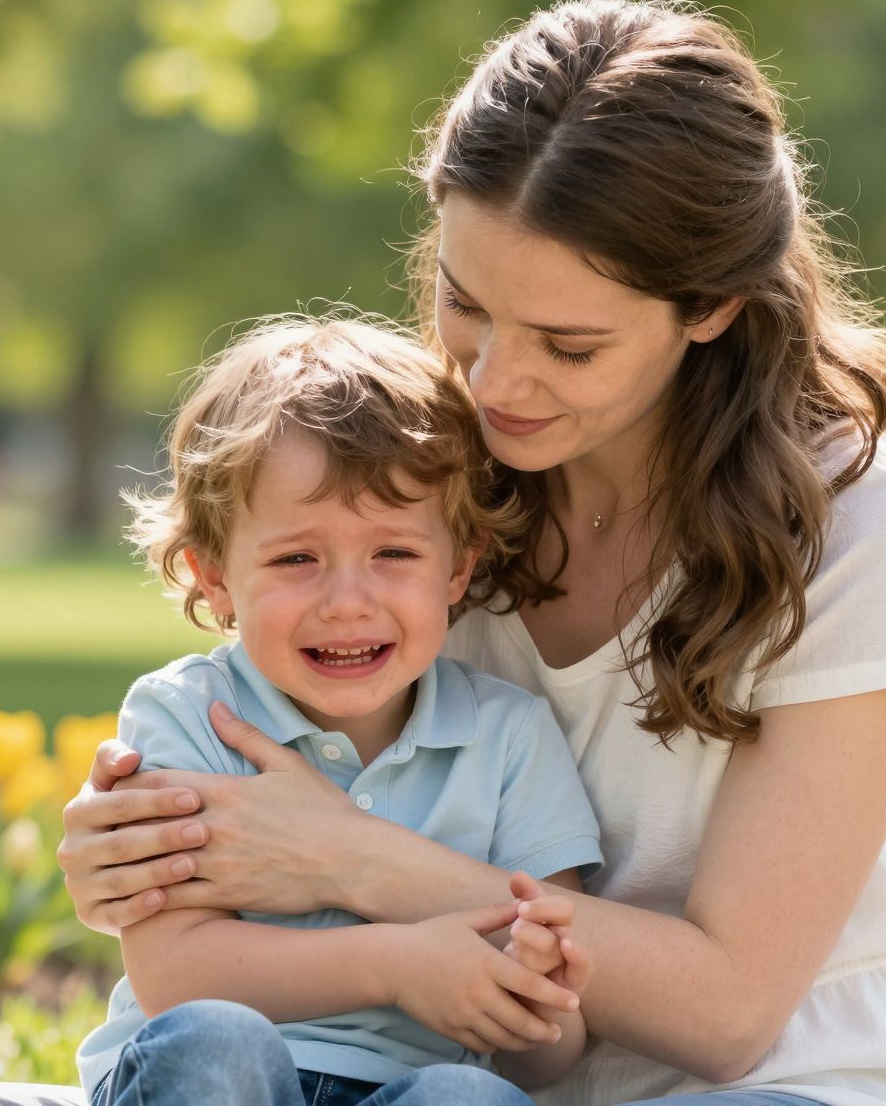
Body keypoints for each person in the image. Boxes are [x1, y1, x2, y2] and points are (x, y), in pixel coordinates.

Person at [0, 0, 886, 1106]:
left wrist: (346, 856)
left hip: (810, 1067)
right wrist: (136, 855)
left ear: (710, 308)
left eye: (569, 345)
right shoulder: (430, 475)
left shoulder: (854, 523)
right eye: (466, 303)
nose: (496, 380)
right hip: (492, 1072)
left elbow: (727, 1013)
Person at [76, 314, 607, 1106]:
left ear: (458, 568)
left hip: (404, 1090)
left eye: (394, 553)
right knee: (219, 1043)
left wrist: (535, 996)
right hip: (223, 1081)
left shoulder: (510, 737)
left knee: (470, 1098)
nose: (348, 602)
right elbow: (176, 972)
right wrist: (396, 964)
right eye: (297, 558)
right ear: (214, 576)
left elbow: (552, 1056)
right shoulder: (188, 714)